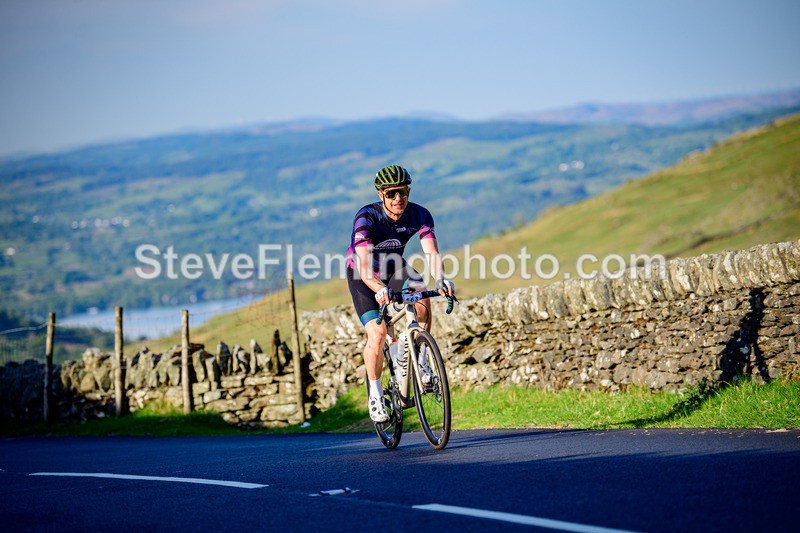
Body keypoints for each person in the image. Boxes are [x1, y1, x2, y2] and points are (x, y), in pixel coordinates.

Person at [346, 165, 456, 423]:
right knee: (378, 333)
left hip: (394, 267)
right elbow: (364, 266)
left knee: (422, 296)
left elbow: (431, 252)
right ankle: (375, 395)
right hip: (363, 275)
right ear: (381, 195)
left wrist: (441, 279)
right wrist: (379, 288)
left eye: (403, 192)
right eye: (391, 193)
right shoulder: (366, 217)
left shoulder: (419, 214)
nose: (398, 198)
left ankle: (421, 361)